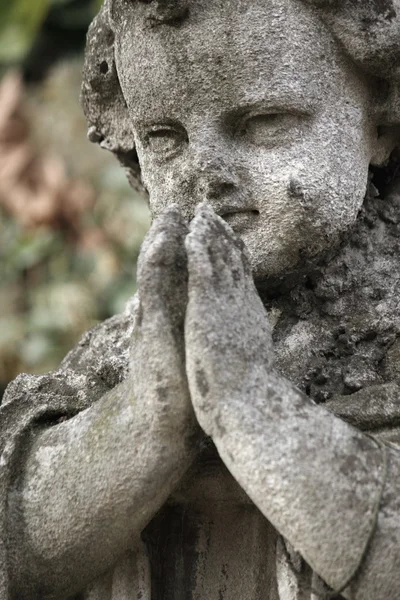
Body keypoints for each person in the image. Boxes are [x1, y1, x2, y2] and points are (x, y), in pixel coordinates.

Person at [2, 0, 400, 598]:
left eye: (265, 122)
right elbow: (18, 548)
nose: (203, 173)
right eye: (165, 136)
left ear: (382, 121)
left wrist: (249, 405)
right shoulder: (132, 351)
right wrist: (147, 419)